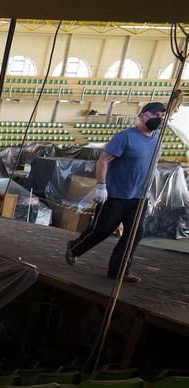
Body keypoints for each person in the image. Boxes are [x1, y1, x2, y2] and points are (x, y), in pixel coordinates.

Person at [64, 101, 167, 283]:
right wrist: (101, 186)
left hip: (139, 197)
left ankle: (119, 270)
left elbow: (152, 165)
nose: (158, 119)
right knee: (102, 229)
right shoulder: (125, 137)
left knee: (134, 234)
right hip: (116, 195)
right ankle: (74, 248)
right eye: (154, 115)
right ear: (142, 116)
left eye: (161, 116)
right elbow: (103, 161)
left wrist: (149, 191)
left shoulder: (158, 138)